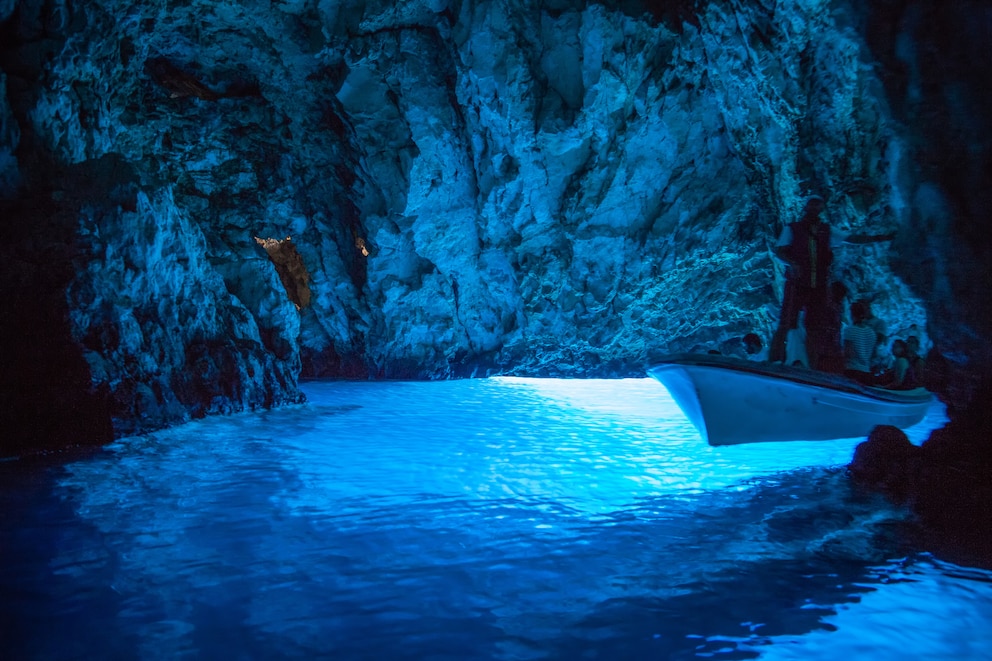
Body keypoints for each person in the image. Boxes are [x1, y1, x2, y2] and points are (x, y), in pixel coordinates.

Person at [769, 195, 896, 366]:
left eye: (818, 205)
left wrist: (879, 238)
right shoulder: (792, 228)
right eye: (812, 205)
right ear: (806, 207)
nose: (815, 208)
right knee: (786, 322)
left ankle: (812, 367)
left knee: (815, 327)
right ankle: (774, 361)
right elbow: (780, 250)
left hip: (819, 285)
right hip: (797, 283)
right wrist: (793, 264)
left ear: (822, 208)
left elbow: (851, 239)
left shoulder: (826, 230)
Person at [843, 300, 878, 385]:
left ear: (852, 314)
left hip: (852, 371)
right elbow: (874, 354)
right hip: (866, 372)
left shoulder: (849, 330)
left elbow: (849, 353)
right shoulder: (872, 332)